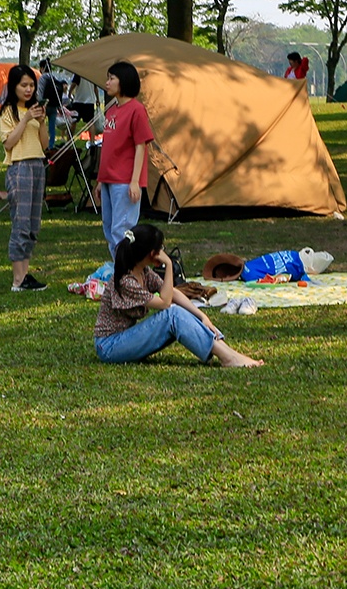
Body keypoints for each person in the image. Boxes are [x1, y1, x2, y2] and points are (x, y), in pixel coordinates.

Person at [94, 223, 263, 366]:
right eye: (161, 248)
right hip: (110, 347)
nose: (163, 251)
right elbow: (166, 303)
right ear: (151, 253)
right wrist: (168, 264)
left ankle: (228, 353)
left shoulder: (143, 271)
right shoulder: (126, 281)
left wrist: (202, 316)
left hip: (123, 340)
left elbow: (172, 292)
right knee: (172, 314)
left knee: (177, 311)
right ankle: (228, 358)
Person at [0, 65, 50, 292]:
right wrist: (26, 118)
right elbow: (9, 143)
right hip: (19, 167)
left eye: (31, 85)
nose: (28, 90)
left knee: (32, 224)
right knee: (20, 223)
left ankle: (25, 275)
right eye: (23, 85)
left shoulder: (35, 110)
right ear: (14, 86)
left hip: (37, 165)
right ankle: (17, 280)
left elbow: (45, 144)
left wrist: (42, 121)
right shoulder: (8, 111)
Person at [97, 61, 155, 254]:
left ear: (124, 82)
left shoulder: (136, 110)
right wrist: (100, 180)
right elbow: (107, 147)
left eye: (112, 78)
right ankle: (119, 272)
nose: (107, 82)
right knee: (109, 229)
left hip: (124, 181)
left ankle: (126, 276)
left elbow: (141, 146)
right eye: (108, 78)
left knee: (121, 231)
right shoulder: (112, 110)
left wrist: (135, 181)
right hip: (107, 179)